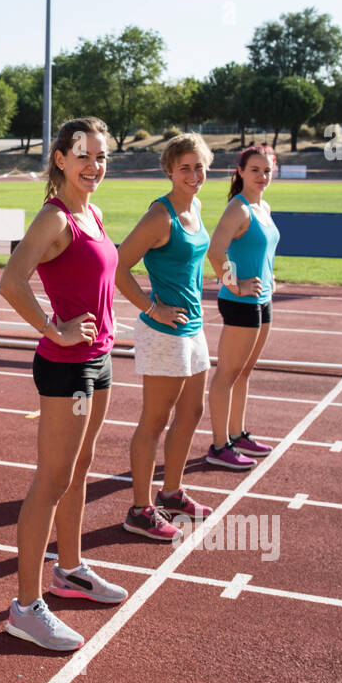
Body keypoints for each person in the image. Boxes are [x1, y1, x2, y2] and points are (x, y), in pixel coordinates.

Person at [0, 117, 126, 652]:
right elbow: (10, 280)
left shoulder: (91, 211)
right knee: (51, 481)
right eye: (83, 156)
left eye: (100, 157)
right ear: (60, 159)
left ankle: (69, 571)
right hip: (67, 366)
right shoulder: (55, 218)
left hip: (100, 361)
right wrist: (55, 327)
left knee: (80, 471)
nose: (93, 166)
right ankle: (25, 607)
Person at [114, 133, 216, 541]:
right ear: (170, 171)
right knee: (154, 421)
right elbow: (119, 267)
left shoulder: (197, 206)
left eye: (200, 167)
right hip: (164, 332)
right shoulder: (161, 215)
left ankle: (172, 492)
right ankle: (140, 510)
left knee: (191, 413)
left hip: (193, 329)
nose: (194, 174)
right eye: (185, 167)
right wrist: (152, 307)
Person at [206, 144, 280, 469]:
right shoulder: (238, 209)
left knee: (245, 372)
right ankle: (219, 445)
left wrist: (270, 276)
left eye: (267, 170)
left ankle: (237, 435)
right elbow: (215, 252)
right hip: (240, 301)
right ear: (240, 171)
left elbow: (263, 251)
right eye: (255, 170)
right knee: (227, 373)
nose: (262, 176)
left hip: (262, 300)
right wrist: (235, 284)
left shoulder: (263, 206)